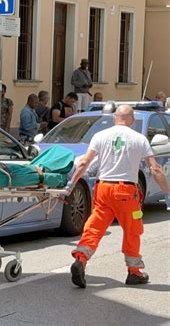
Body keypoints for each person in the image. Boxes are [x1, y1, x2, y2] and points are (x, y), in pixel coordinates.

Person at [63, 105, 169, 288]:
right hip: (126, 192)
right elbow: (155, 169)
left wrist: (71, 184)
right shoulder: (139, 139)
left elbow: (84, 163)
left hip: (103, 188)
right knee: (132, 229)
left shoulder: (100, 136)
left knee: (94, 226)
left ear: (114, 118)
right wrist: (167, 192)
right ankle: (134, 271)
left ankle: (81, 258)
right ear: (132, 120)